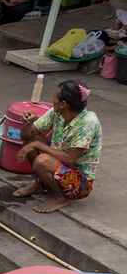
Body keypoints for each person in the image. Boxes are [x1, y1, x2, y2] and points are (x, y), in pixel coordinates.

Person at [13, 80, 101, 213]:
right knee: (30, 141)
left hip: (79, 182)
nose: (52, 99)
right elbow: (26, 137)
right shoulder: (57, 112)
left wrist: (37, 145)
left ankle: (60, 198)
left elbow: (70, 159)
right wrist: (28, 122)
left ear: (63, 104)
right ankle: (40, 184)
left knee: (41, 160)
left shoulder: (88, 122)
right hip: (60, 163)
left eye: (54, 97)